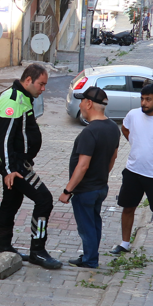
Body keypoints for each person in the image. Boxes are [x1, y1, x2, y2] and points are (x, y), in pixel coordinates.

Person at [0, 63, 62, 269]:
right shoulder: (12, 100)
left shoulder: (24, 97)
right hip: (15, 164)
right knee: (44, 200)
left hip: (18, 162)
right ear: (28, 80)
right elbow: (4, 139)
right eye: (41, 84)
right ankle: (38, 251)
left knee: (11, 201)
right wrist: (9, 170)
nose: (43, 89)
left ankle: (4, 247)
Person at [110, 82, 153, 259]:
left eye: (148, 99)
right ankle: (125, 243)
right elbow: (125, 128)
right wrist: (134, 141)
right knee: (128, 207)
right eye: (142, 99)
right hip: (133, 170)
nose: (144, 103)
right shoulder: (133, 115)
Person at [58, 87, 120, 268]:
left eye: (82, 100)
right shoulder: (112, 128)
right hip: (100, 187)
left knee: (86, 227)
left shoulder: (90, 132)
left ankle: (90, 260)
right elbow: (113, 158)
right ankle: (88, 255)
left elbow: (82, 165)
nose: (80, 104)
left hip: (86, 190)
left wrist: (67, 190)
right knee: (94, 223)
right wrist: (102, 177)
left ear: (89, 103)